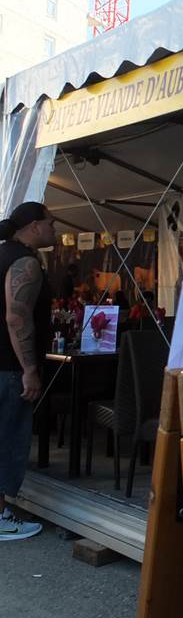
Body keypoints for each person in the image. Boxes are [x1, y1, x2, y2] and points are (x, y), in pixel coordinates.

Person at [0, 202, 56, 541]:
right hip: (9, 369)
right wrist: (30, 369)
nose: (55, 229)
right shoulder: (25, 262)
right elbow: (16, 317)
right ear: (34, 226)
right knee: (8, 440)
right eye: (51, 223)